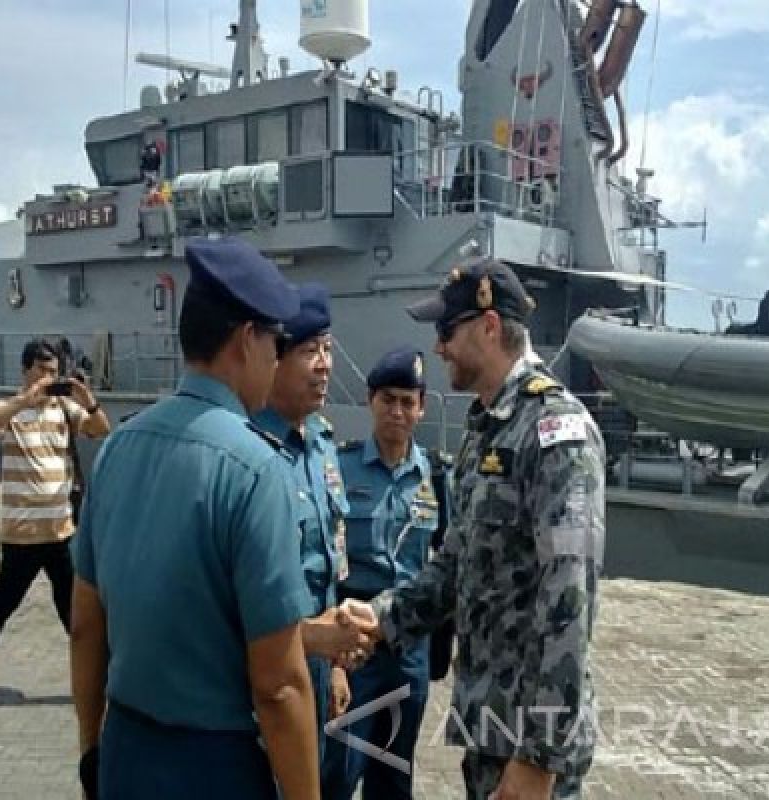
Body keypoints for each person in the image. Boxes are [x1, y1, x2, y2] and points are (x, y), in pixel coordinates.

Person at [69, 238, 367, 800]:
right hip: (216, 766)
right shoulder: (257, 469)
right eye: (276, 343)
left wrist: (93, 751)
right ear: (244, 340)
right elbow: (278, 686)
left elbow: (86, 625)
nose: (278, 358)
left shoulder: (117, 448)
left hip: (126, 752)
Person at [341, 258, 607, 800]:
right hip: (490, 729)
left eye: (447, 331)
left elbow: (568, 602)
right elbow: (456, 565)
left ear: (488, 328)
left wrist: (540, 756)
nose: (437, 347)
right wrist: (378, 617)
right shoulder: (485, 431)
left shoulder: (556, 433)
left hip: (529, 747)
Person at [321, 346, 451, 800]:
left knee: (394, 778)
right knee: (337, 772)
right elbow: (327, 569)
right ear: (370, 401)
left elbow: (447, 560)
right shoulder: (339, 466)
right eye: (388, 399)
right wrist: (333, 659)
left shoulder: (436, 477)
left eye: (407, 401)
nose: (397, 411)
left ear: (422, 408)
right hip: (354, 644)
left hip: (408, 650)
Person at [0, 339, 110, 706]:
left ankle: (98, 679)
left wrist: (86, 399)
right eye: (42, 371)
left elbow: (101, 429)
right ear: (26, 371)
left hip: (59, 531)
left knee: (76, 614)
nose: (48, 378)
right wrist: (23, 401)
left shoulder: (64, 410)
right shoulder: (10, 410)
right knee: (0, 605)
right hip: (21, 536)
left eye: (54, 372)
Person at [252, 283, 356, 761]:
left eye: (328, 349)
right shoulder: (249, 451)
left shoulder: (321, 441)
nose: (325, 364)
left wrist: (335, 665)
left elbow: (331, 562)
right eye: (309, 351)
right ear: (274, 359)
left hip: (316, 662)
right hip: (266, 666)